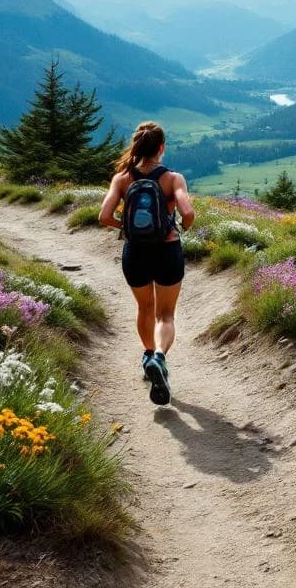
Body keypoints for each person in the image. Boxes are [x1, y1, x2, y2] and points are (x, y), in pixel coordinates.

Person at [98, 121, 195, 405]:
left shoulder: (122, 179)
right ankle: (160, 358)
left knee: (144, 308)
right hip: (167, 250)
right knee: (165, 315)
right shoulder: (173, 178)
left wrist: (126, 229)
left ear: (137, 147)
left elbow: (104, 216)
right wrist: (178, 228)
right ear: (161, 148)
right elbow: (187, 213)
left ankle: (148, 353)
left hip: (135, 252)